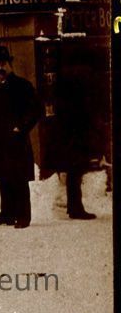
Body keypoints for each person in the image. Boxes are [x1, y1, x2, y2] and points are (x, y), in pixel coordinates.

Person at [0, 45, 40, 229]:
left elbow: (36, 110)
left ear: (9, 64)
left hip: (16, 141)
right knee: (2, 178)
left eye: (2, 64)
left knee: (18, 178)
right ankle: (6, 214)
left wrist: (20, 128)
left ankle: (23, 216)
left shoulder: (22, 86)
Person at [40, 69, 96, 220]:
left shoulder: (61, 98)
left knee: (74, 173)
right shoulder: (74, 102)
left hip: (69, 139)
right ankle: (75, 208)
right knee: (75, 173)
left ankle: (74, 207)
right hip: (73, 140)